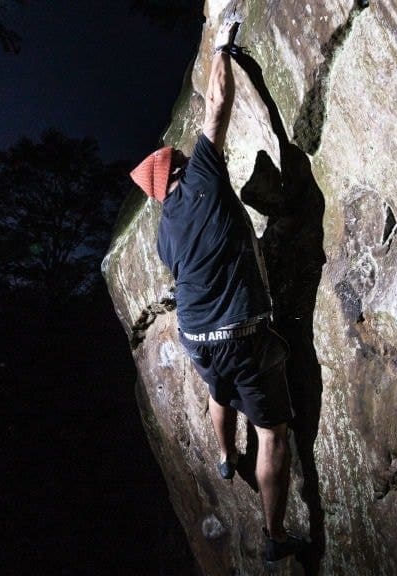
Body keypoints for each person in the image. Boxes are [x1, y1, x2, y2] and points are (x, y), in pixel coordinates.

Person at [128, 19, 304, 564]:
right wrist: (223, 49)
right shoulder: (202, 176)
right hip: (242, 335)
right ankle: (275, 537)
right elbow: (218, 107)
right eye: (180, 155)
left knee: (216, 389)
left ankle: (226, 457)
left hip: (196, 336)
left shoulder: (163, 232)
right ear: (178, 167)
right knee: (274, 434)